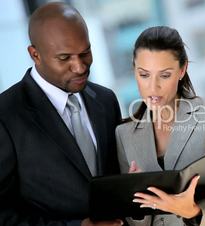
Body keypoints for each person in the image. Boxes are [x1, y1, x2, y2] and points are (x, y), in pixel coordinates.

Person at [0, 2, 122, 225]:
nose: (80, 67)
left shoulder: (105, 101)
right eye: (65, 58)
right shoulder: (6, 116)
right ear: (35, 55)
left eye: (85, 53)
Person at [115, 26, 205, 226]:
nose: (153, 87)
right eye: (144, 75)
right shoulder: (124, 134)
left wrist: (192, 210)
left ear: (182, 70)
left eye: (164, 75)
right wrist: (135, 196)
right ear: (134, 71)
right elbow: (134, 220)